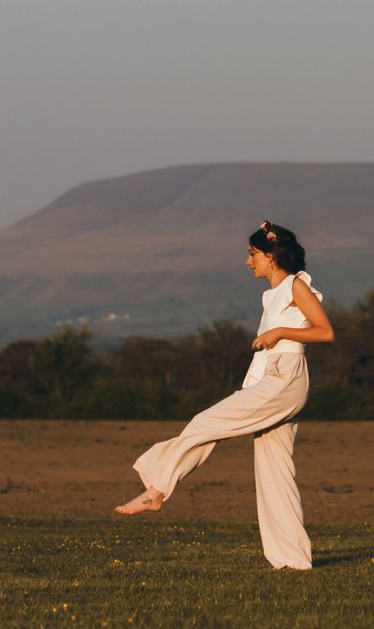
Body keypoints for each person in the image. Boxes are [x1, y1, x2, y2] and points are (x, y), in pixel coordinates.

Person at [113, 221, 332, 570]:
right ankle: (293, 560)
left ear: (272, 256)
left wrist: (279, 332)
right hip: (271, 378)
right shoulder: (271, 294)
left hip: (286, 378)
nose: (249, 262)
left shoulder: (295, 286)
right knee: (274, 468)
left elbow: (325, 332)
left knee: (206, 422)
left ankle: (157, 489)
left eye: (253, 254)